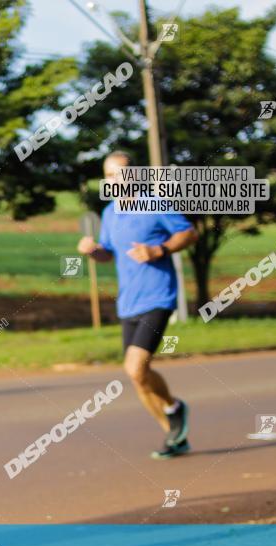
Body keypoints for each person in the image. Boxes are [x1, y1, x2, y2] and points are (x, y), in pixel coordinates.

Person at [77, 151, 198, 460]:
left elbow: (188, 232)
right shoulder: (109, 214)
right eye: (108, 175)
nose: (113, 180)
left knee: (135, 366)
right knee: (137, 378)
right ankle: (173, 434)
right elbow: (108, 254)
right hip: (128, 303)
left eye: (119, 174)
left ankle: (174, 407)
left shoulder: (154, 203)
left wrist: (158, 250)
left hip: (158, 297)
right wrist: (93, 251)